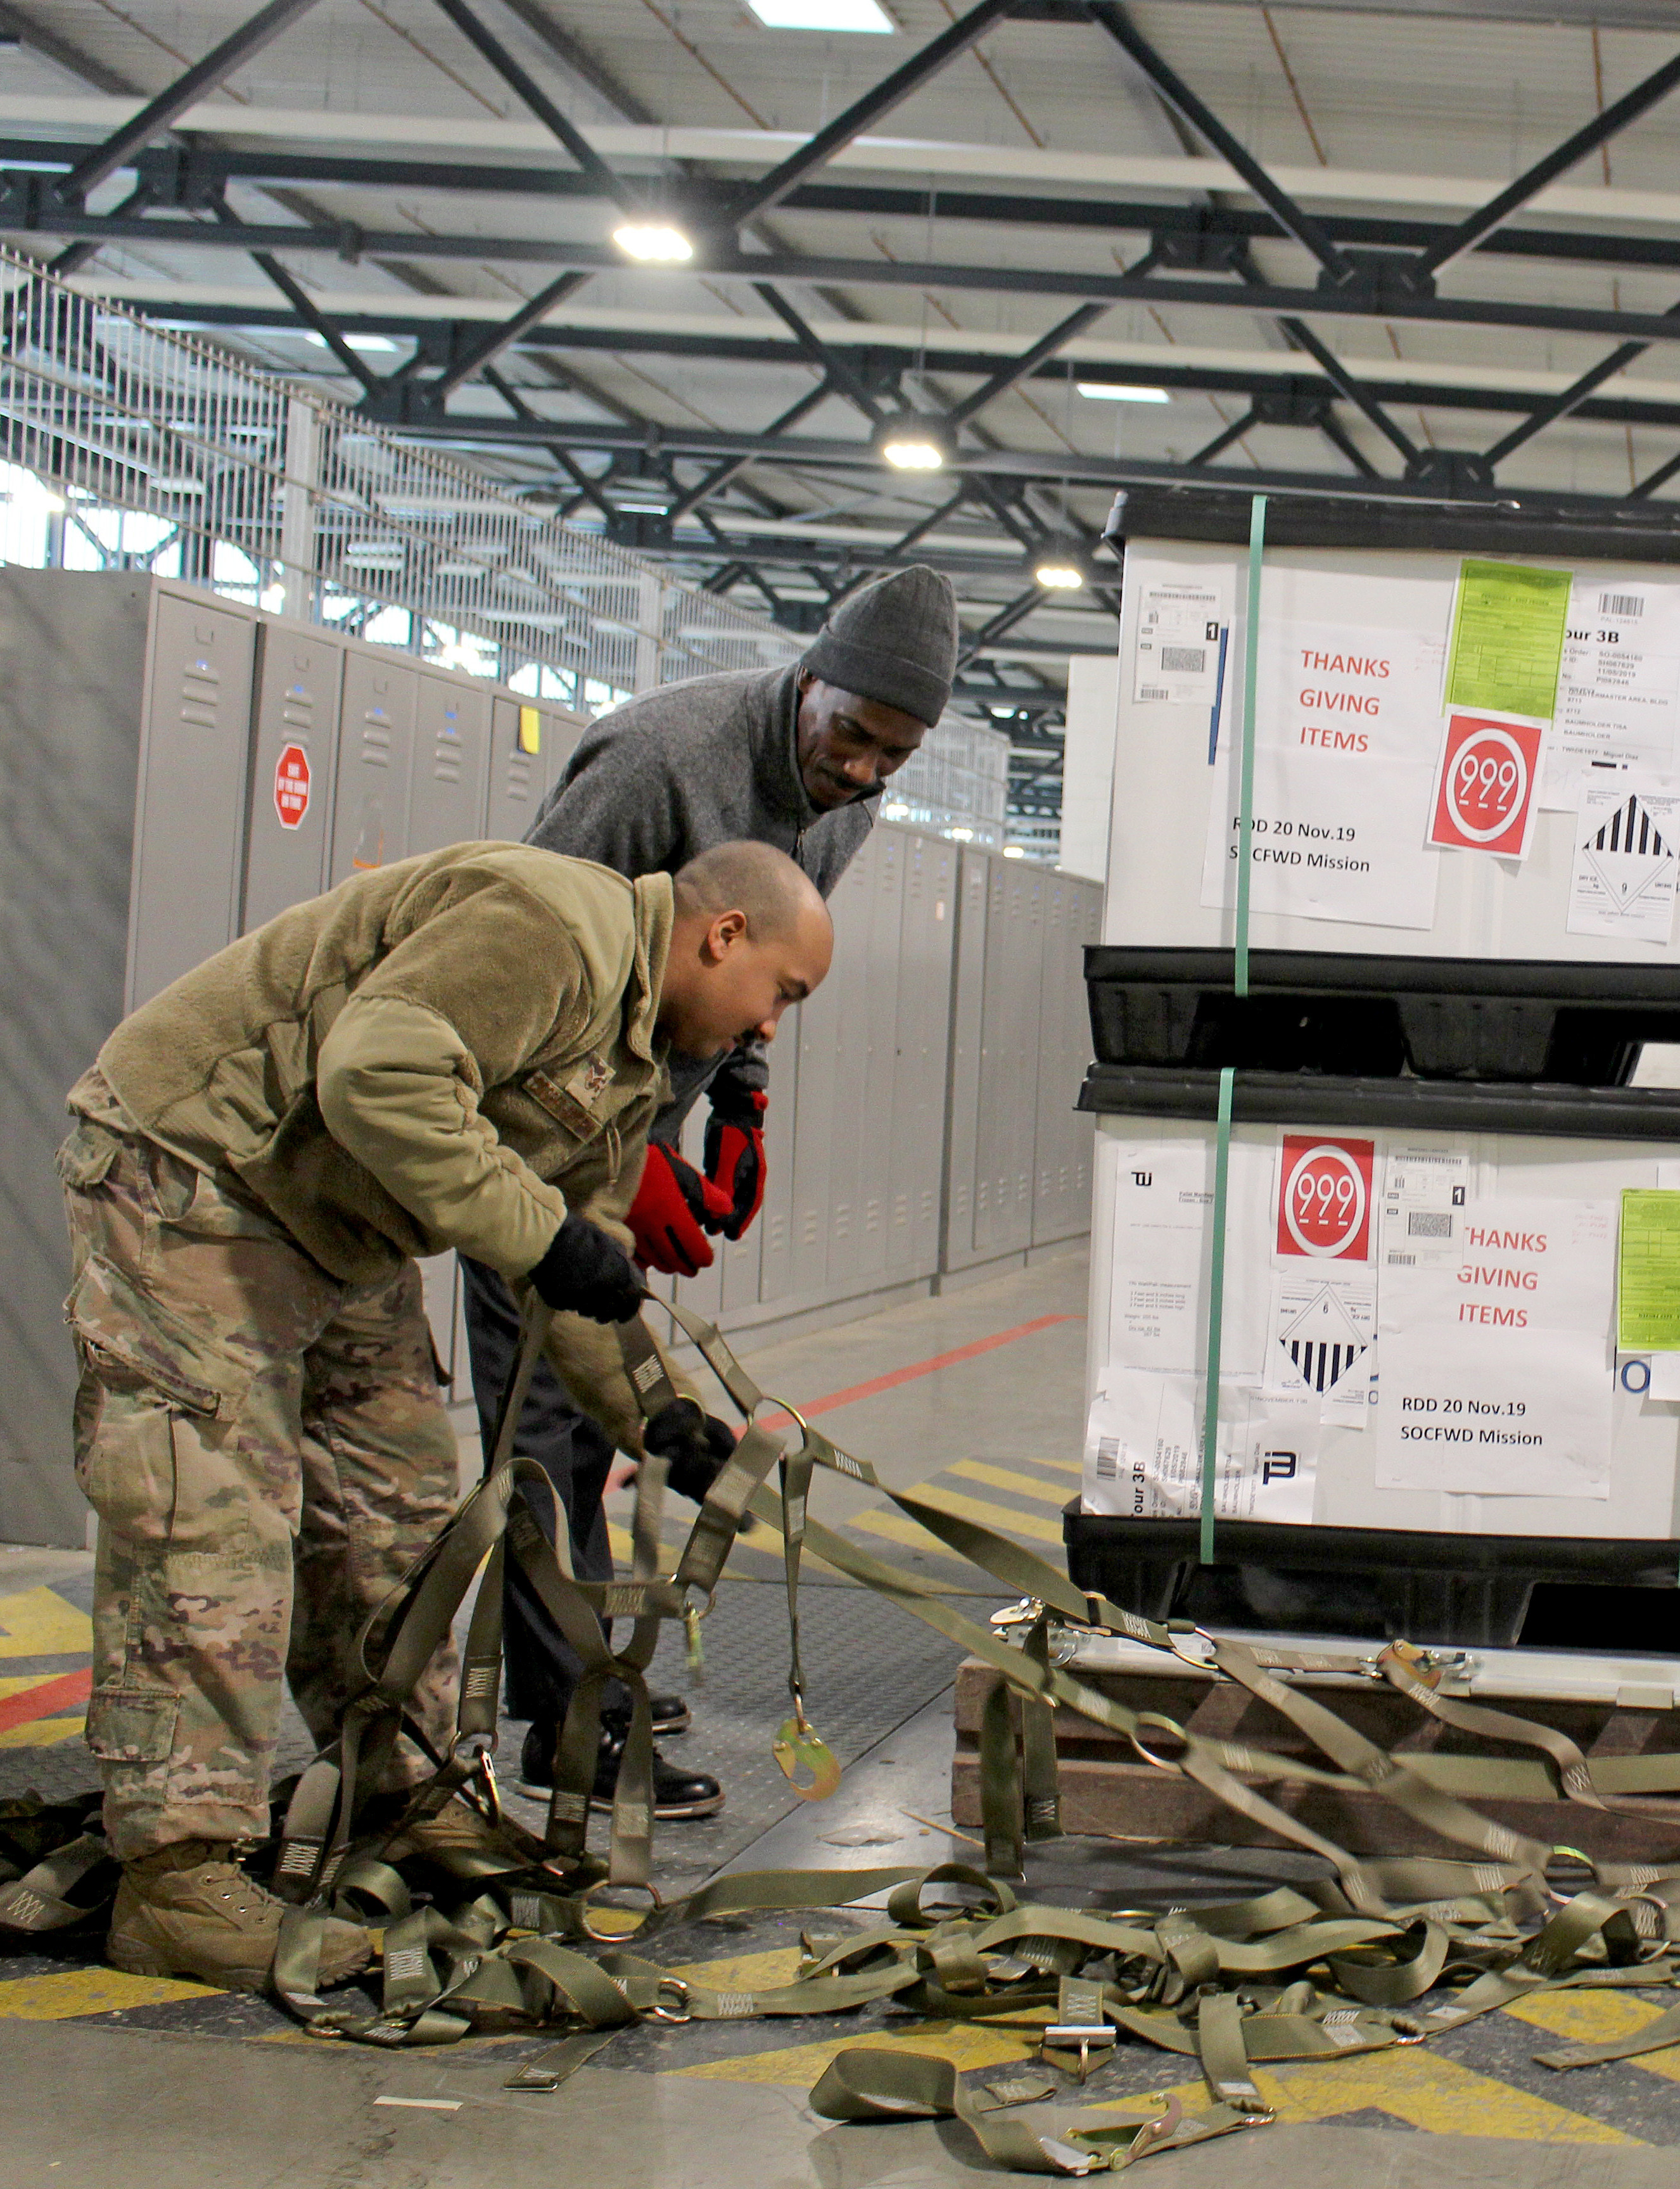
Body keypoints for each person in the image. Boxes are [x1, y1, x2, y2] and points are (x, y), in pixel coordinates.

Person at [58, 838, 834, 1992]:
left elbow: (575, 1253)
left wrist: (654, 1414)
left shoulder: (634, 1057)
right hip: (202, 1171)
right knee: (212, 1527)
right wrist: (550, 1242)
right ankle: (176, 1876)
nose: (771, 1027)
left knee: (403, 1514)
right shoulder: (549, 926)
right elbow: (377, 1077)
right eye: (783, 990)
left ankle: (402, 1791)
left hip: (340, 1221)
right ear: (723, 936)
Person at [461, 564, 960, 1818]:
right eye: (851, 737)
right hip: (526, 1130)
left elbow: (768, 954)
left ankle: (554, 1669)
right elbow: (515, 967)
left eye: (894, 757)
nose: (862, 774)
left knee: (589, 1423)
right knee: (538, 1414)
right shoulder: (656, 764)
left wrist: (738, 1098)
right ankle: (575, 1724)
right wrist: (615, 1164)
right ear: (809, 679)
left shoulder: (849, 802)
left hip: (640, 1117)